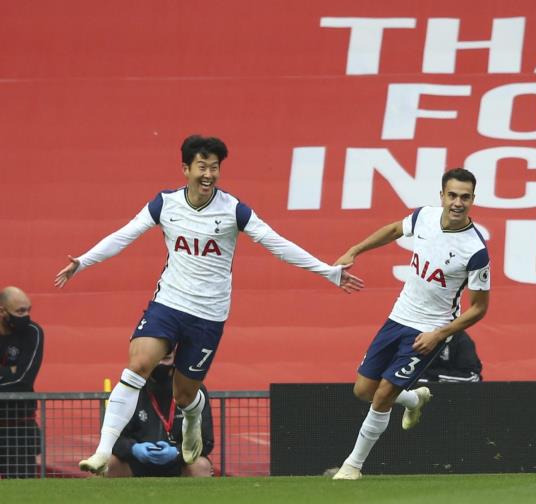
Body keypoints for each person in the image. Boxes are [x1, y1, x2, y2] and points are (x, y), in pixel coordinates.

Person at [54, 135, 364, 475]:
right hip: (168, 303)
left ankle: (191, 418)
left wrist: (328, 272)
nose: (208, 174)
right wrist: (83, 261)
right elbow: (124, 235)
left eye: (214, 168)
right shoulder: (164, 204)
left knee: (185, 395)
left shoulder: (234, 210)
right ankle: (102, 450)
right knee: (138, 365)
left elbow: (277, 244)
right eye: (202, 167)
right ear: (186, 169)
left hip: (208, 315)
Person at [331, 168, 490, 480]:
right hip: (398, 316)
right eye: (453, 195)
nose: (458, 202)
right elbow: (393, 230)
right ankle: (415, 398)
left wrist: (439, 334)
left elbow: (479, 309)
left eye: (465, 197)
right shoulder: (425, 217)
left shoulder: (476, 250)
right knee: (363, 389)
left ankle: (352, 466)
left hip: (430, 329)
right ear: (442, 195)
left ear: (473, 199)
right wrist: (355, 250)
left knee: (382, 396)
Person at [106, 353, 214, 477]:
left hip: (179, 462)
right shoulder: (128, 389)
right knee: (107, 464)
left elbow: (206, 441)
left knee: (201, 465)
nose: (161, 363)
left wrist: (177, 452)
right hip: (137, 461)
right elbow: (112, 439)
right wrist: (134, 449)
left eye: (166, 357)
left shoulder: (193, 389)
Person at [0, 287, 44, 478]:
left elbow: (23, 381)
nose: (26, 316)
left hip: (20, 430)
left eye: (28, 310)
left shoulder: (33, 332)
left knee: (23, 489)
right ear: (2, 311)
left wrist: (13, 374)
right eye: (19, 312)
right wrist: (9, 371)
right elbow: (14, 378)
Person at [418, 330, 483, 383]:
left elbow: (472, 378)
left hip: (455, 393)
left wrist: (431, 378)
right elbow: (408, 375)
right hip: (418, 393)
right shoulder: (414, 334)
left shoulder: (460, 338)